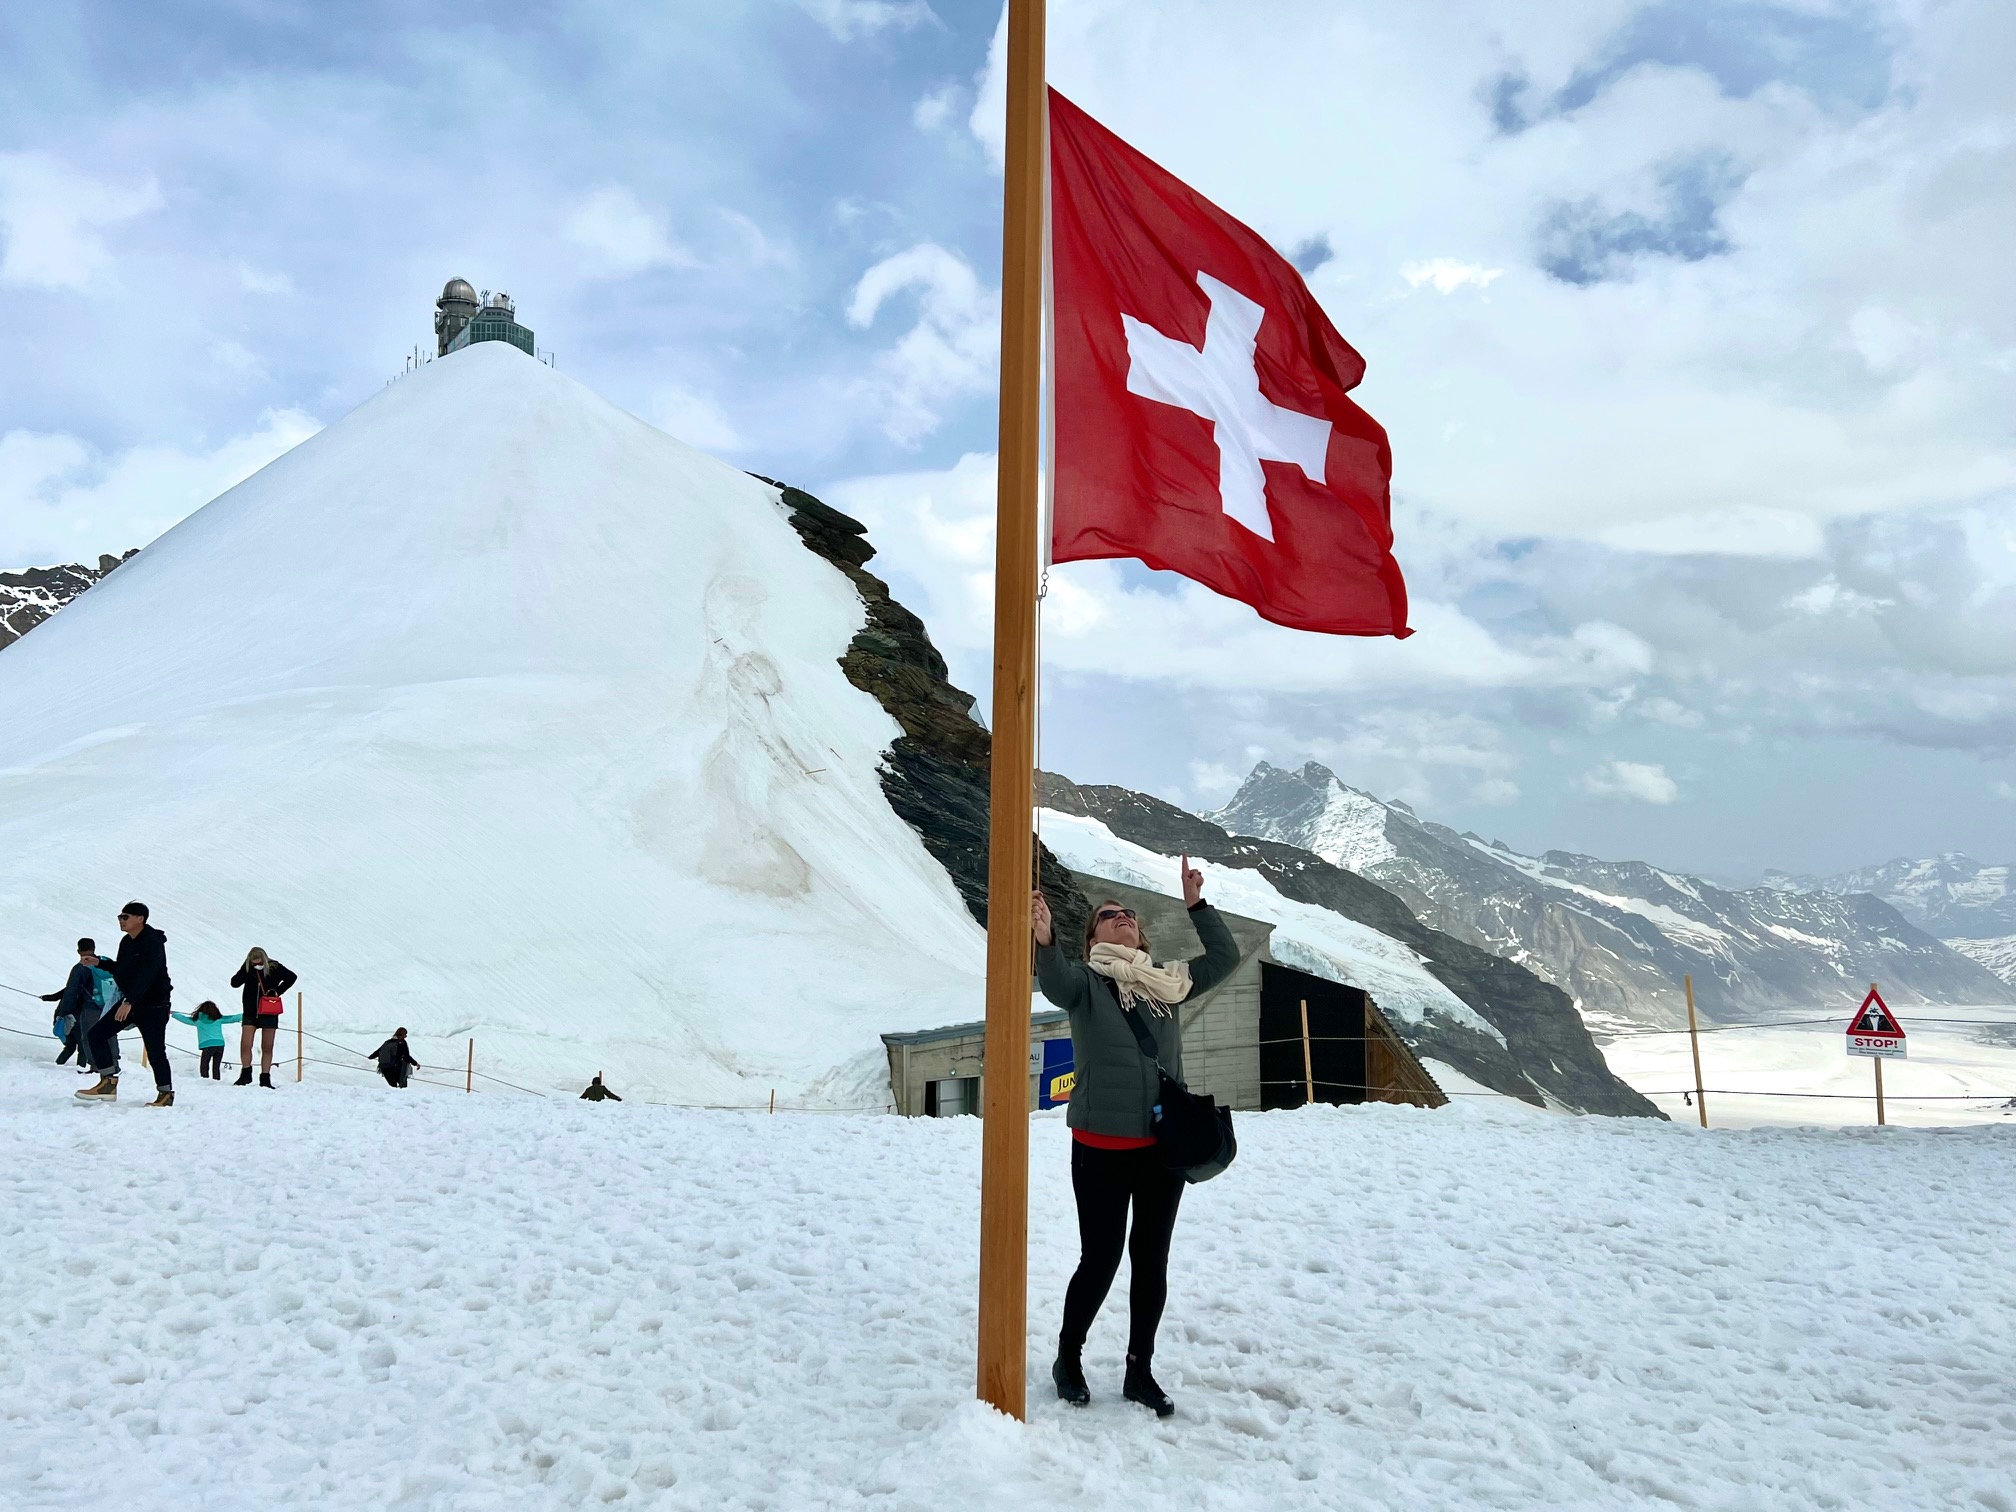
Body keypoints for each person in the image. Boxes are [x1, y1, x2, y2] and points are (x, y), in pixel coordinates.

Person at [1031, 854, 1239, 1418]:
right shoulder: (1085, 984)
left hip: (1160, 1151)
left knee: (1151, 1261)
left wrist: (1198, 904)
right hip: (1100, 1147)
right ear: (1093, 934)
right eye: (1107, 915)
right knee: (1100, 1258)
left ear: (1140, 932)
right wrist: (1045, 940)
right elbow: (1052, 982)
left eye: (1127, 914)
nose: (1121, 918)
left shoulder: (1166, 985)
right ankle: (1067, 1358)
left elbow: (1224, 957)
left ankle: (1138, 1370)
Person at [76, 902, 175, 1107]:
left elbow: (147, 976)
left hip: (154, 1004)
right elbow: (122, 970)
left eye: (125, 917)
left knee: (155, 1050)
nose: (121, 920)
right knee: (96, 1035)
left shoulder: (152, 942)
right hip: (132, 1002)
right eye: (120, 917)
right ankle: (108, 1082)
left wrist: (129, 1001)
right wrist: (99, 963)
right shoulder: (127, 942)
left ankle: (165, 1094)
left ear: (140, 918)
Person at [41, 939, 117, 1073]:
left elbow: (71, 990)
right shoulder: (105, 962)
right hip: (109, 1005)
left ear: (78, 950)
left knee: (88, 1036)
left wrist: (64, 1012)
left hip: (91, 1007)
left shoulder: (80, 968)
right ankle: (114, 1063)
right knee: (109, 1034)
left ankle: (95, 1066)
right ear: (94, 948)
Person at [229, 947, 298, 1088]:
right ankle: (246, 1073)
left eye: (259, 963)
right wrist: (246, 969)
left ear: (265, 960)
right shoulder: (248, 969)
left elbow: (292, 977)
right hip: (250, 1011)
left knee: (267, 1046)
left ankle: (265, 1077)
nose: (257, 965)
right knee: (245, 1044)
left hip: (269, 1011)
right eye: (253, 963)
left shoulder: (275, 967)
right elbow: (234, 983)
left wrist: (277, 991)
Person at [172, 1001, 241, 1080]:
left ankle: (205, 1080)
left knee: (204, 1065)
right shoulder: (218, 1019)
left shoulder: (198, 1020)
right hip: (220, 1044)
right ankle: (216, 1080)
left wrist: (174, 1014)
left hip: (207, 1045)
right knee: (216, 1065)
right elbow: (233, 1018)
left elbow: (184, 1019)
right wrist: (246, 1015)